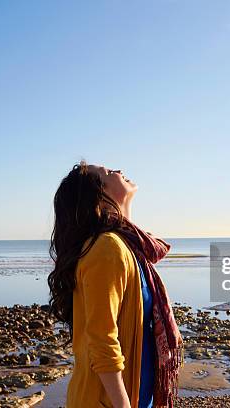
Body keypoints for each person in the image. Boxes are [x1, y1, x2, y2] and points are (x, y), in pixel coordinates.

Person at [48, 161, 184, 408]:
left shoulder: (128, 248)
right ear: (98, 196)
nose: (119, 170)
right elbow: (102, 339)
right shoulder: (107, 248)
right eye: (109, 173)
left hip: (134, 394)